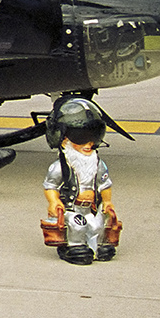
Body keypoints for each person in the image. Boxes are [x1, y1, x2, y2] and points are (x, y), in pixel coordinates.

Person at [41, 97, 121, 265]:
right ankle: (75, 246)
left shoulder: (98, 164)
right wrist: (54, 202)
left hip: (90, 207)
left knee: (97, 224)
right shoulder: (60, 167)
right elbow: (50, 185)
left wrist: (106, 201)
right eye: (81, 137)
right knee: (77, 226)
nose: (89, 144)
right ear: (64, 139)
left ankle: (96, 246)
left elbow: (104, 184)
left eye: (94, 137)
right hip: (72, 208)